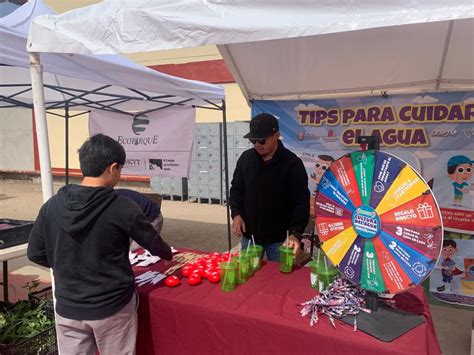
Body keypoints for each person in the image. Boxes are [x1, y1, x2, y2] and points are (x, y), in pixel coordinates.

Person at [27, 134, 172, 354]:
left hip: (68, 308)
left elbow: (35, 253)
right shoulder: (123, 206)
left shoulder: (51, 206)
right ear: (112, 167)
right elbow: (155, 245)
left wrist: (67, 264)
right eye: (120, 169)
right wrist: (169, 253)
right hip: (112, 307)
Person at [229, 113, 310, 261]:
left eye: (262, 140)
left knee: (279, 281)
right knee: (248, 280)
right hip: (250, 238)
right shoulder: (245, 159)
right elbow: (236, 191)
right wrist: (236, 214)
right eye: (253, 140)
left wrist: (296, 233)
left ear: (276, 136)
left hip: (280, 241)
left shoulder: (292, 164)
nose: (257, 144)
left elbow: (301, 202)